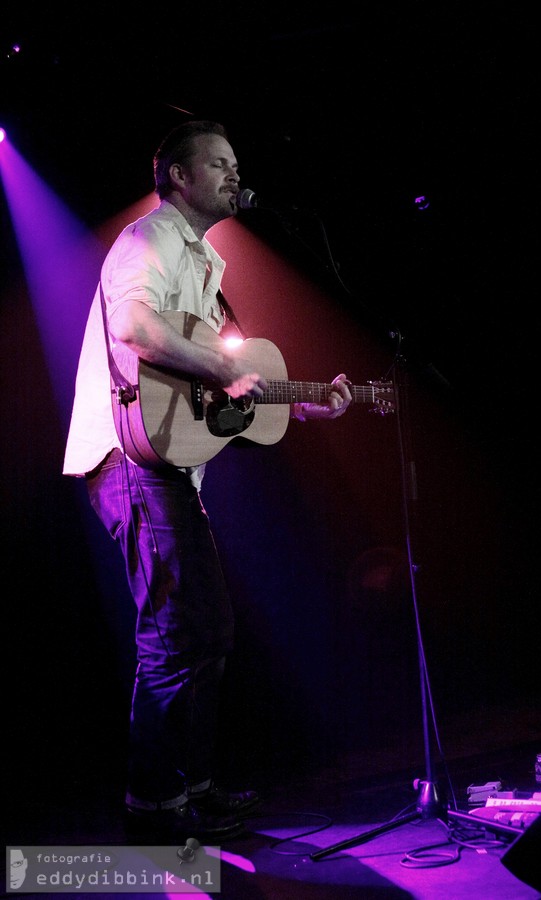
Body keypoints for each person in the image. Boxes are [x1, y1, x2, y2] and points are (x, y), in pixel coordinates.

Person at [62, 119, 352, 843]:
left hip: (169, 469)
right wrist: (226, 368)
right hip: (131, 462)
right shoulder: (151, 239)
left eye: (236, 164)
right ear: (179, 178)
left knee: (210, 633)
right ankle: (150, 808)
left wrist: (298, 399)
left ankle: (190, 787)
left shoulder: (204, 263)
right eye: (218, 164)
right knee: (174, 636)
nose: (233, 174)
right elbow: (133, 326)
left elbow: (218, 382)